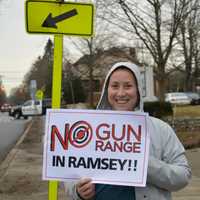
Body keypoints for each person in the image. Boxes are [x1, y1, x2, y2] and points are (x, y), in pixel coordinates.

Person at [64, 62, 191, 200]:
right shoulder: (88, 131)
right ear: (107, 90)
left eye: (128, 86)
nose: (121, 93)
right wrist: (77, 191)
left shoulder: (161, 130)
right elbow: (70, 176)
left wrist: (145, 165)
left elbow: (183, 176)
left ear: (138, 90)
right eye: (115, 86)